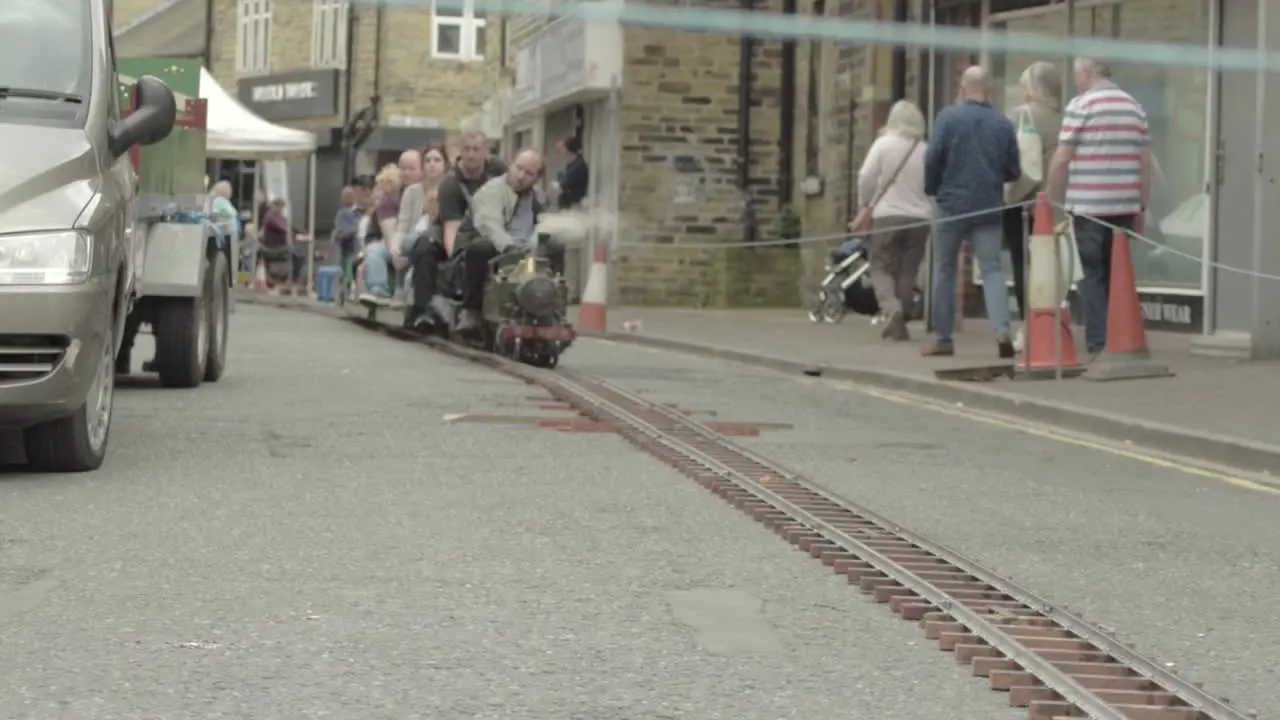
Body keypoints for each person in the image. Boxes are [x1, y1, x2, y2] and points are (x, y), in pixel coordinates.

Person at [1047, 58, 1151, 359]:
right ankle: (1122, 337)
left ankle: (1099, 342)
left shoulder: (1081, 105)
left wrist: (1050, 197)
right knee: (1117, 274)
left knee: (1092, 274)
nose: (1076, 81)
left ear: (1088, 73)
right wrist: (1142, 206)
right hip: (1124, 206)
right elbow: (1145, 162)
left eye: (1078, 75)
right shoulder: (1134, 106)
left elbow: (1062, 157)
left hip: (1089, 207)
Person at [922, 65, 1021, 359]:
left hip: (950, 204)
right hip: (988, 204)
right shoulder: (1002, 124)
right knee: (991, 269)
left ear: (961, 87)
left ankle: (942, 339)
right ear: (988, 88)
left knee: (944, 268)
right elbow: (1013, 170)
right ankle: (1002, 331)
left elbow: (932, 159)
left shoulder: (947, 118)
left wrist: (933, 188)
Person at [455, 149, 564, 335]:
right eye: (518, 168)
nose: (521, 176)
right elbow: (489, 224)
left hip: (526, 249)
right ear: (511, 165)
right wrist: (509, 246)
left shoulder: (538, 197)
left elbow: (544, 222)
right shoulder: (491, 190)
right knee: (480, 248)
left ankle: (551, 305)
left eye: (529, 173)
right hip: (496, 246)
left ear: (537, 178)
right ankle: (470, 311)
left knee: (555, 247)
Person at [409, 129, 508, 328]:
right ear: (460, 151)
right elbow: (451, 229)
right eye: (467, 149)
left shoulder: (498, 169)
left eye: (476, 149)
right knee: (424, 245)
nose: (471, 154)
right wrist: (456, 260)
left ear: (486, 151)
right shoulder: (450, 184)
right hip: (455, 227)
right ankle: (423, 310)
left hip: (488, 225)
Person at [854, 99, 933, 342]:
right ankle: (901, 322)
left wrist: (864, 204)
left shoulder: (883, 144)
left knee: (880, 266)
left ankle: (892, 309)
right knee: (907, 272)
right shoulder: (926, 149)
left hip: (887, 215)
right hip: (920, 218)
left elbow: (866, 177)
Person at [1002, 61, 1063, 329]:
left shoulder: (1019, 115)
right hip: (1055, 198)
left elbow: (1004, 154)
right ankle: (1053, 320)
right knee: (1051, 261)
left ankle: (1030, 325)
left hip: (1021, 199)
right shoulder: (1064, 119)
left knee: (1022, 262)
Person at [395, 144, 450, 324]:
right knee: (409, 243)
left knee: (422, 245)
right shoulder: (412, 191)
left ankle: (419, 308)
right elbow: (402, 225)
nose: (432, 164)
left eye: (437, 160)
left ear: (445, 164)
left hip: (437, 239)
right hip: (413, 237)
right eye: (427, 161)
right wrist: (395, 249)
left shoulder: (451, 189)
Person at [358, 164, 402, 302]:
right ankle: (378, 290)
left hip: (403, 243)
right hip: (384, 246)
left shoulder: (407, 203)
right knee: (373, 251)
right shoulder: (379, 212)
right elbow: (370, 238)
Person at [553, 136, 589, 210]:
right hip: (566, 205)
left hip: (573, 206)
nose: (563, 152)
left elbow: (565, 183)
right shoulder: (570, 165)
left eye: (564, 149)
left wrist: (560, 185)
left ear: (569, 151)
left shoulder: (579, 166)